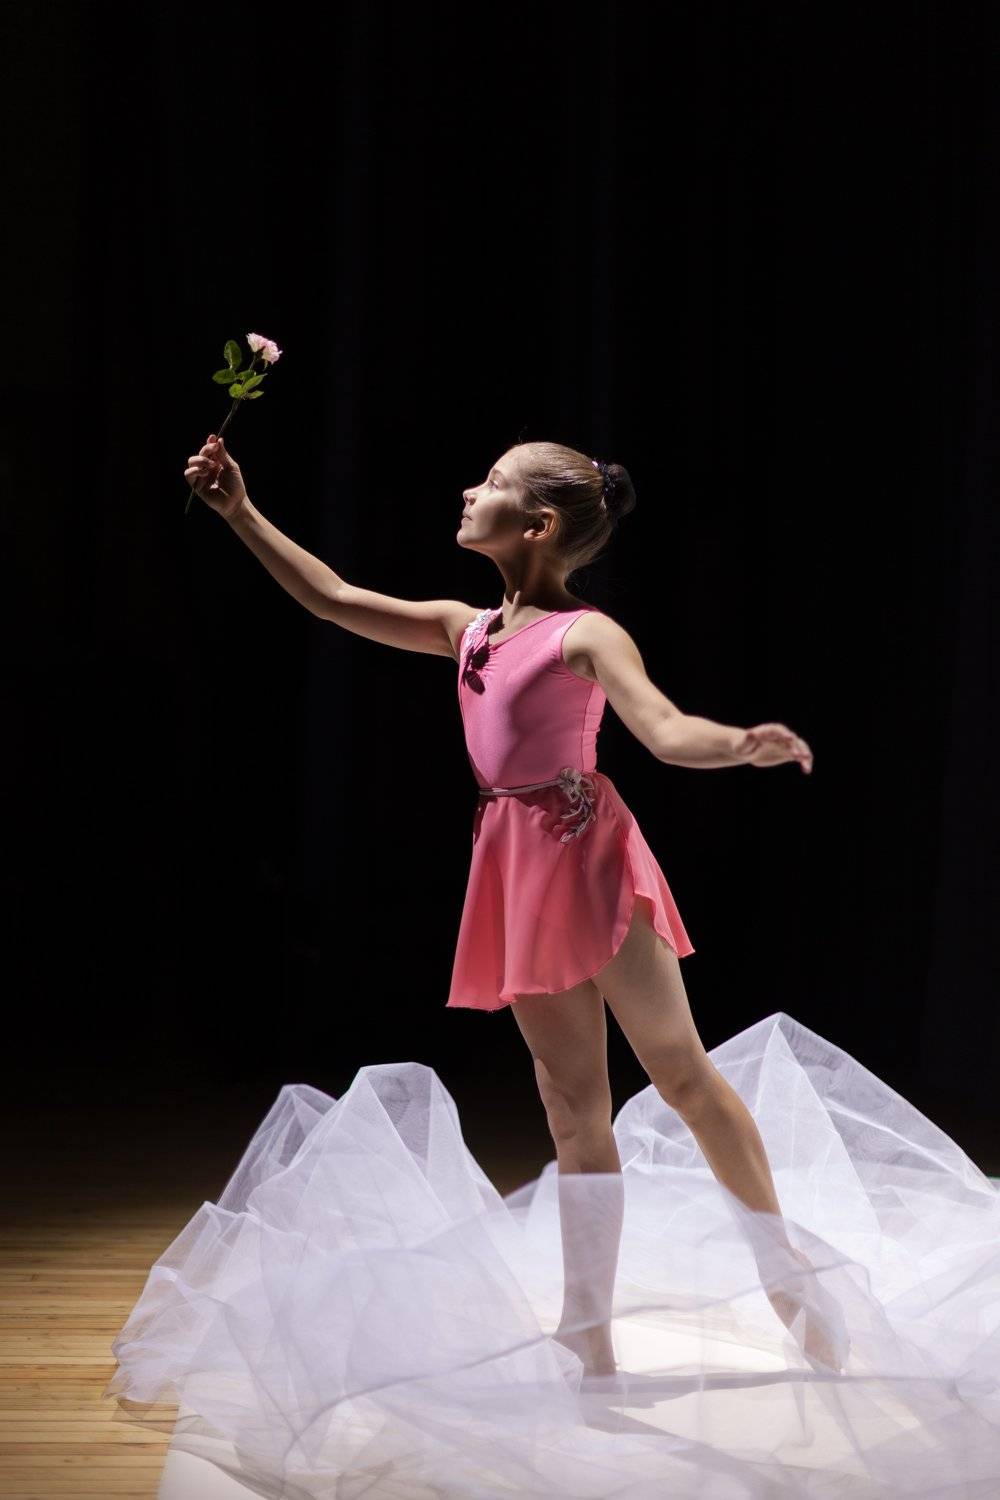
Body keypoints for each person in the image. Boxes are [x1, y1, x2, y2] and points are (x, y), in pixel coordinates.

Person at [182, 432, 844, 1378]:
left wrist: (739, 744)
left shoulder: (586, 633)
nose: (468, 490)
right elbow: (332, 599)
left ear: (535, 526)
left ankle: (788, 1281)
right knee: (573, 1109)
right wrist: (240, 511)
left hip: (588, 853)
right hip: (514, 864)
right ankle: (588, 1333)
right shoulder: (466, 628)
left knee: (680, 1073)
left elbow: (662, 729)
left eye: (490, 482)